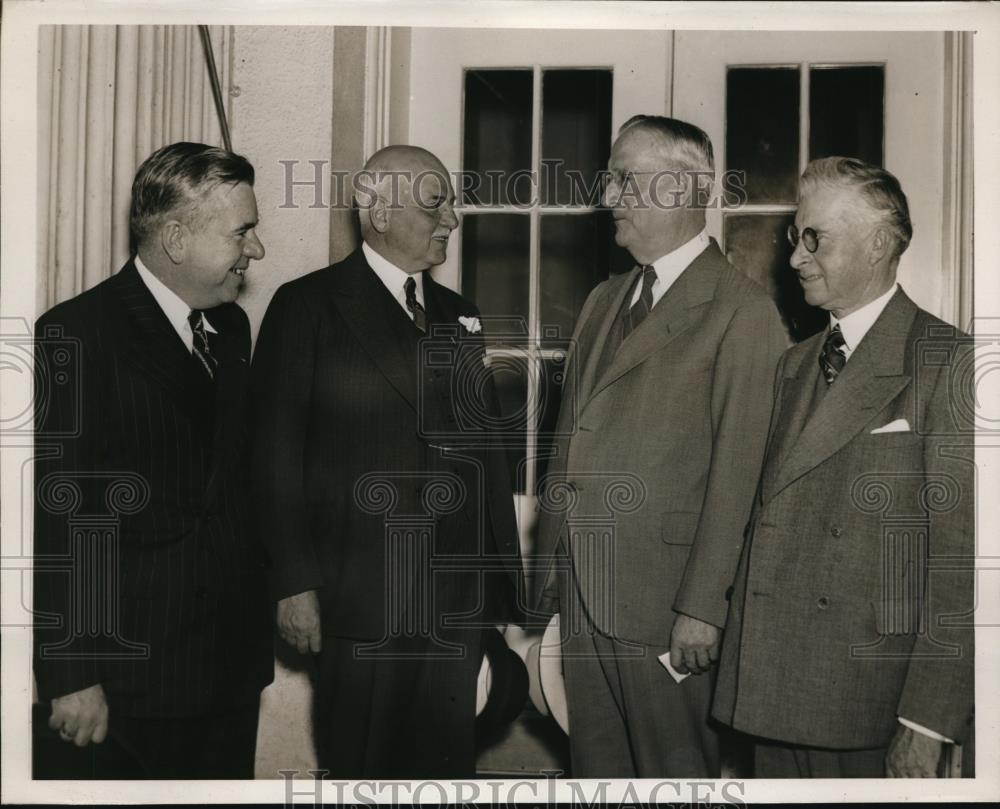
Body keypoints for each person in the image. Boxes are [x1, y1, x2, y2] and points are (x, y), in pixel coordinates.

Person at [250, 144, 524, 779]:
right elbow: (272, 459)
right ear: (374, 208)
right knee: (364, 777)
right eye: (435, 202)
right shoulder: (307, 307)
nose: (452, 219)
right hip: (359, 606)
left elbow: (485, 458)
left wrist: (498, 586)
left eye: (451, 203)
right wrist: (294, 583)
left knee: (445, 780)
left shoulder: (462, 316)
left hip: (455, 607)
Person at [531, 115, 787, 777]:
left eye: (624, 180)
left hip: (666, 607)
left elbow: (741, 476)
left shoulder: (742, 311)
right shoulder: (603, 298)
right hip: (585, 598)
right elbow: (567, 445)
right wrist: (550, 579)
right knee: (598, 773)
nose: (608, 196)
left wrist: (702, 607)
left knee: (673, 779)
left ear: (679, 190)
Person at [712, 157, 975, 778]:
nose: (797, 257)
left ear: (879, 243)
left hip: (873, 702)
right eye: (794, 238)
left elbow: (963, 564)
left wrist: (927, 722)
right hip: (775, 685)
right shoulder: (794, 365)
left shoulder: (948, 361)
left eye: (815, 239)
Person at [33, 142, 273, 778]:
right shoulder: (79, 334)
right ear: (175, 238)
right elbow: (62, 519)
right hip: (131, 679)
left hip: (229, 668)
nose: (257, 250)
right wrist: (72, 675)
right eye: (243, 231)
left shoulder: (231, 330)